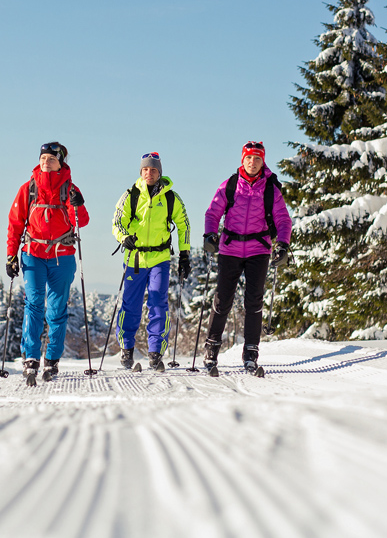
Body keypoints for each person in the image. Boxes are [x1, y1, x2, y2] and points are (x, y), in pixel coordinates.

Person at [201, 141, 292, 376]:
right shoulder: (230, 185)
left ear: (263, 161)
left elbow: (283, 219)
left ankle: (251, 353)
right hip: (230, 249)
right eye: (249, 158)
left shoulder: (270, 189)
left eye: (257, 158)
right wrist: (210, 234)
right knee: (222, 301)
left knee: (254, 303)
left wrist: (283, 244)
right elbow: (213, 212)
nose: (252, 162)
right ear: (243, 160)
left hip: (258, 250)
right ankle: (211, 349)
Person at [5, 141, 90, 385]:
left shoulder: (70, 189)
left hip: (62, 256)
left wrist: (79, 203)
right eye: (43, 158)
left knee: (57, 309)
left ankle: (51, 359)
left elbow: (81, 222)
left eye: (51, 159)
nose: (45, 162)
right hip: (33, 253)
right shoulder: (28, 189)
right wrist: (11, 255)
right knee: (33, 305)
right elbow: (15, 224)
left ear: (61, 161)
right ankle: (30, 358)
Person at [111, 152, 191, 371]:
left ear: (159, 172)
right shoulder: (130, 195)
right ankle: (126, 349)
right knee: (131, 304)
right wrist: (124, 238)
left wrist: (185, 254)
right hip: (135, 258)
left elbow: (184, 224)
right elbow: (117, 222)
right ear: (141, 171)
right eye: (145, 169)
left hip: (160, 259)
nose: (149, 173)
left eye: (153, 169)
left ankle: (155, 353)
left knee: (158, 303)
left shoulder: (171, 197)